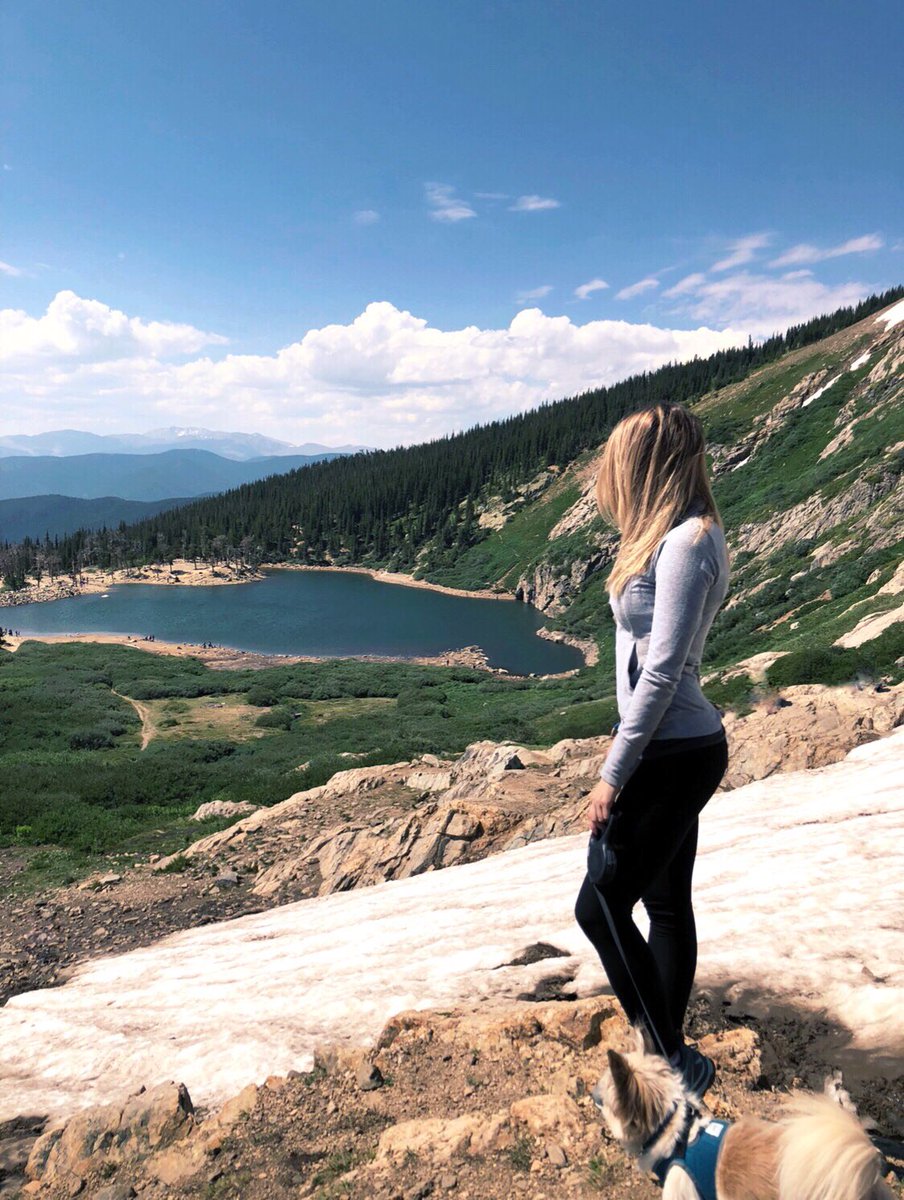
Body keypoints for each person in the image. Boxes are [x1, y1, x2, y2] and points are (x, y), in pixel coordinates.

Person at [574, 401, 731, 1099]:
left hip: (674, 750)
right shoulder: (669, 534)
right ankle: (666, 1050)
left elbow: (664, 670)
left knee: (600, 900)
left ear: (649, 463)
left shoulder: (689, 542)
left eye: (622, 463)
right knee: (665, 905)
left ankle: (671, 1058)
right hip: (668, 746)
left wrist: (613, 772)